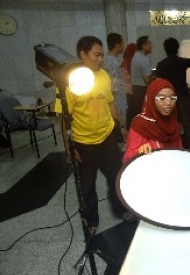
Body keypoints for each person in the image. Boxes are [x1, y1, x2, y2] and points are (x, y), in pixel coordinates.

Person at [55, 36, 132, 236]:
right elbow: (64, 118)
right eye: (96, 55)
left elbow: (110, 103)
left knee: (117, 177)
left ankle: (121, 209)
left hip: (107, 138)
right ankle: (91, 220)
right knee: (87, 186)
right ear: (83, 54)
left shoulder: (104, 76)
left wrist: (120, 126)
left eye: (102, 55)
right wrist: (69, 147)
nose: (100, 59)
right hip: (83, 144)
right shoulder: (70, 81)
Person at [155, 37, 190, 150]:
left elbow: (159, 83)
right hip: (182, 95)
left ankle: (168, 145)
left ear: (165, 49)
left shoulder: (160, 65)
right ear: (177, 48)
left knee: (167, 122)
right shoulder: (183, 61)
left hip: (168, 97)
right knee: (187, 121)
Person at [123, 78, 182, 163]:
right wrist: (139, 152)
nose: (168, 103)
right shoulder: (141, 124)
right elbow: (126, 159)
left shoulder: (173, 123)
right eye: (162, 98)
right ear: (151, 99)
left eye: (172, 98)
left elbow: (180, 153)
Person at [128, 36, 155, 129]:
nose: (151, 46)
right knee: (143, 113)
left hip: (135, 88)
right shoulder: (144, 59)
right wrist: (155, 76)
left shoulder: (135, 57)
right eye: (149, 44)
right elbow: (147, 80)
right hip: (142, 90)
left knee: (136, 112)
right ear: (144, 45)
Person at [103, 33, 127, 131]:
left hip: (113, 102)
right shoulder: (113, 62)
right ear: (117, 45)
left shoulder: (106, 59)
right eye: (122, 43)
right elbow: (114, 87)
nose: (123, 46)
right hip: (116, 104)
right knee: (119, 132)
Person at [120, 42, 136, 110]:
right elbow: (126, 78)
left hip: (132, 92)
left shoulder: (131, 62)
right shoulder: (126, 63)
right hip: (128, 93)